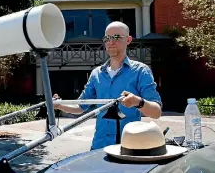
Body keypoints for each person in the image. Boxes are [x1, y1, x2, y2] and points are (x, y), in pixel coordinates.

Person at [53, 21, 162, 150]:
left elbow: (156, 112)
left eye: (116, 37)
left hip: (128, 147)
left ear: (128, 40)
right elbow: (80, 107)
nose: (110, 42)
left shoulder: (140, 71)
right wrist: (59, 104)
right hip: (99, 146)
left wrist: (138, 102)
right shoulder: (96, 74)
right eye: (107, 38)